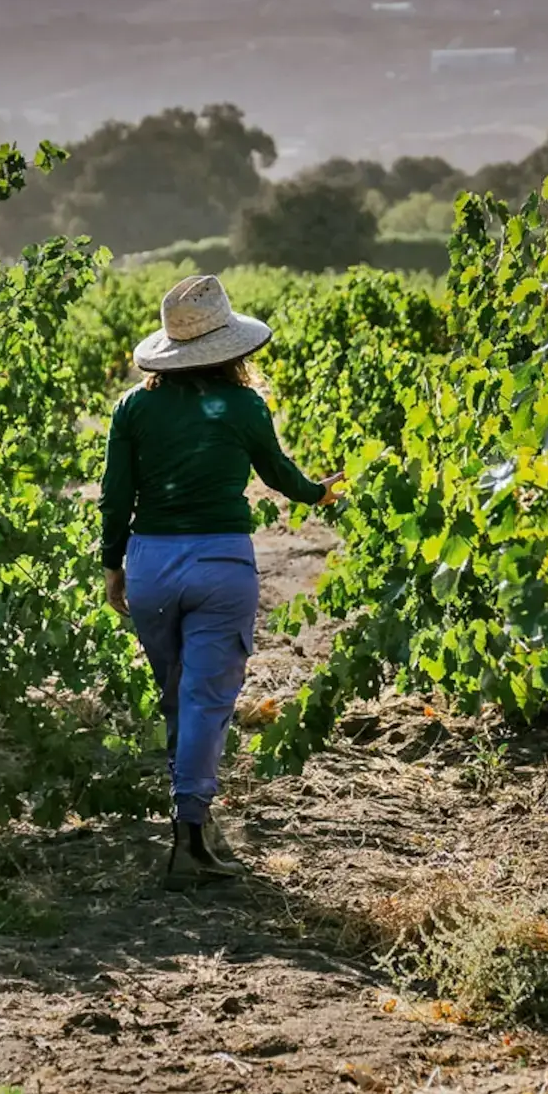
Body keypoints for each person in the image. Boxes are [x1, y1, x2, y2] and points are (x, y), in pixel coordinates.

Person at [100, 273, 338, 885]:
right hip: (220, 565)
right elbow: (280, 474)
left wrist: (112, 567)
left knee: (179, 694)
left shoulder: (133, 408)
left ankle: (198, 827)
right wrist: (320, 494)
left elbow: (115, 496)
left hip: (151, 565)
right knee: (208, 699)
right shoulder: (243, 405)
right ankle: (189, 837)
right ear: (230, 348)